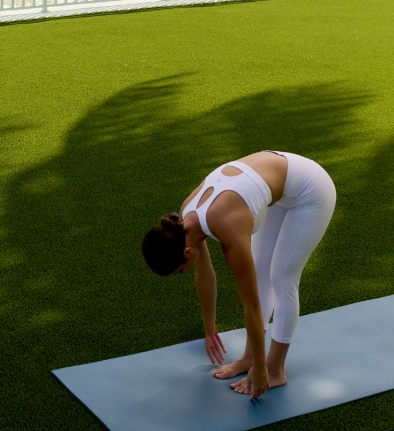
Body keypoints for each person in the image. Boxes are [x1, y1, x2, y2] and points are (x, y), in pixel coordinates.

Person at [142, 151, 336, 400]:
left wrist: (262, 372)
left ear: (187, 252)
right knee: (261, 268)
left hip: (311, 189)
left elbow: (251, 305)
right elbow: (204, 276)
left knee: (282, 276)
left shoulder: (228, 228)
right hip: (280, 188)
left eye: (180, 271)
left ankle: (275, 369)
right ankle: (248, 359)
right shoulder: (186, 222)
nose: (185, 271)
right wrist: (209, 329)